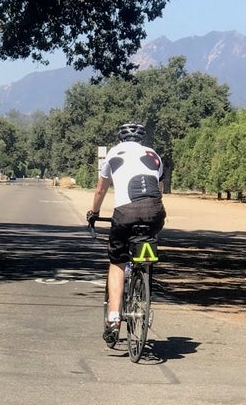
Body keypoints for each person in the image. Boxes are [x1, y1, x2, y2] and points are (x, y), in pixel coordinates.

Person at [86, 122, 167, 344]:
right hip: (154, 212)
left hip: (125, 213)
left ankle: (113, 319)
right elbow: (158, 190)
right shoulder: (154, 154)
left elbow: (101, 189)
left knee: (117, 262)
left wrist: (94, 212)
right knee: (147, 243)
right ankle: (145, 275)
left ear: (121, 138)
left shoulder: (113, 153)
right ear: (142, 139)